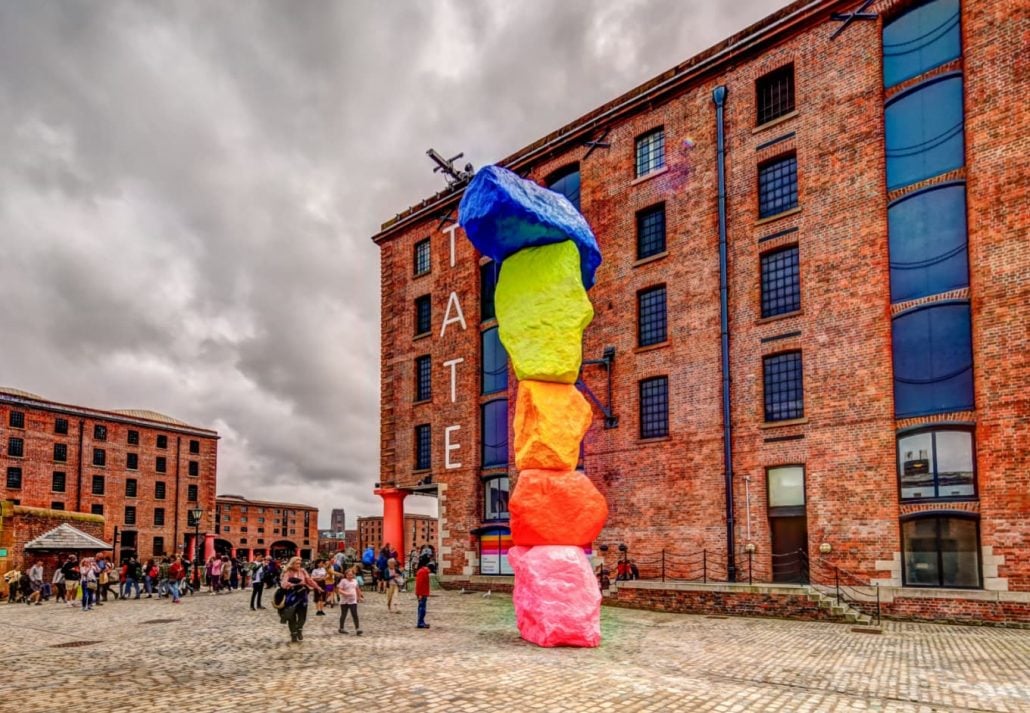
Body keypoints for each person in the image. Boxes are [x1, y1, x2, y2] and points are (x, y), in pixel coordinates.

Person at [279, 557, 322, 644]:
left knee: (302, 615)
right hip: (291, 596)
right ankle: (293, 634)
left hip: (302, 596)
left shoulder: (302, 571)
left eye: (299, 563)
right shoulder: (288, 572)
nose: (298, 565)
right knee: (291, 616)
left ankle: (299, 629)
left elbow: (309, 580)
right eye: (296, 563)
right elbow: (283, 584)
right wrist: (295, 584)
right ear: (292, 564)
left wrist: (317, 587)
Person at [337, 566, 363, 635]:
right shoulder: (343, 581)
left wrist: (359, 597)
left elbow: (357, 589)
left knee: (355, 614)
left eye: (351, 575)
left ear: (353, 575)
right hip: (344, 601)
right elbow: (339, 590)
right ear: (346, 575)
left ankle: (357, 629)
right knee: (344, 614)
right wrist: (345, 593)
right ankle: (341, 628)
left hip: (353, 600)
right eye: (348, 575)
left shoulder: (355, 581)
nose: (350, 576)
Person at [415, 556, 433, 629]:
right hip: (422, 593)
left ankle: (421, 622)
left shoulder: (422, 571)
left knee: (421, 608)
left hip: (422, 593)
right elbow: (420, 584)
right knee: (422, 608)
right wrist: (420, 594)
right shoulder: (423, 572)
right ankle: (420, 622)